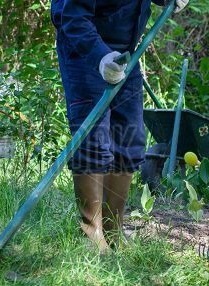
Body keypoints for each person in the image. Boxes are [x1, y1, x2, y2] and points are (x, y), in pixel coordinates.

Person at [50, 0, 189, 252]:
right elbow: (72, 16)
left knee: (130, 138)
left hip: (127, 53)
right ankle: (91, 232)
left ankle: (113, 231)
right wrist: (100, 58)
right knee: (93, 139)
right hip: (85, 51)